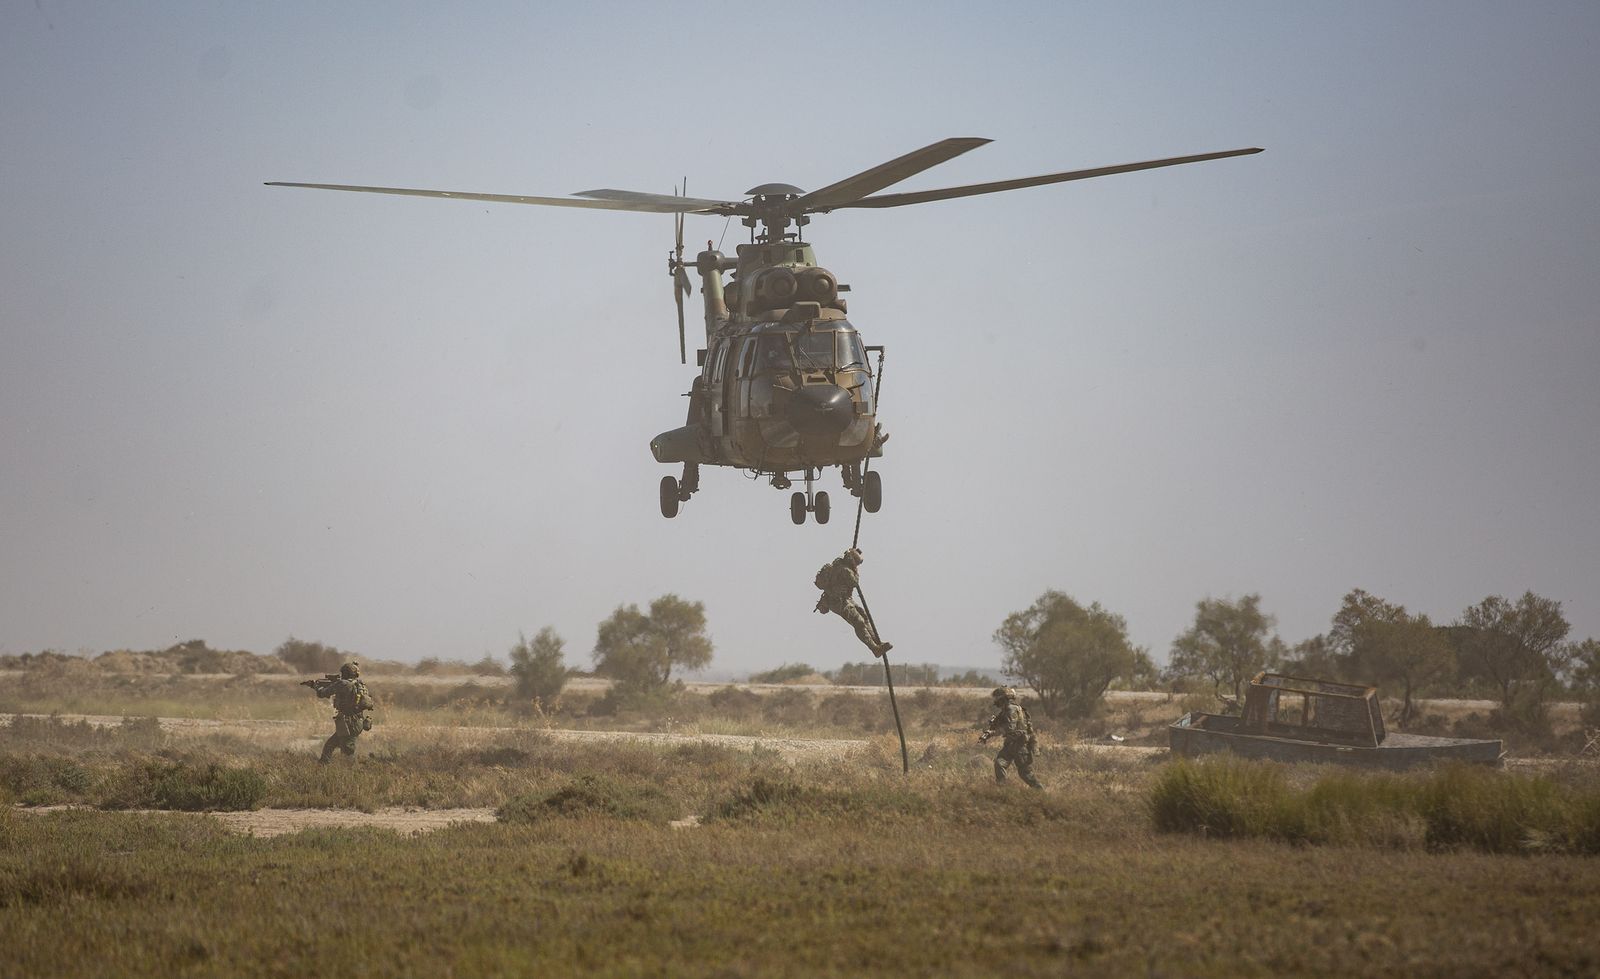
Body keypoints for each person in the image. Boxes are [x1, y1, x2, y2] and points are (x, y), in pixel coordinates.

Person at [813, 548, 892, 657]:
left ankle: (876, 642)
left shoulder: (836, 564)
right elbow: (854, 582)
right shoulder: (846, 570)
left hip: (845, 599)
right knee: (859, 622)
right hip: (839, 602)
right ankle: (875, 648)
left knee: (864, 617)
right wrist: (855, 570)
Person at [302, 661, 376, 764]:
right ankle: (322, 768)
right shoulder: (360, 684)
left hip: (348, 724)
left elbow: (322, 693)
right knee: (329, 745)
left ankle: (352, 772)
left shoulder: (343, 684)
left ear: (345, 673)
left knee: (347, 754)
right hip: (357, 722)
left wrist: (314, 686)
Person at [979, 686, 1042, 788]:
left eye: (997, 698)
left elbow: (1010, 728)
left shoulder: (1011, 709)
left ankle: (1040, 791)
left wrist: (992, 732)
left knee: (1025, 773)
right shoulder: (1006, 710)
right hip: (1010, 744)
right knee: (999, 764)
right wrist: (993, 727)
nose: (995, 701)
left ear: (1003, 698)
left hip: (1020, 745)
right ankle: (1002, 790)